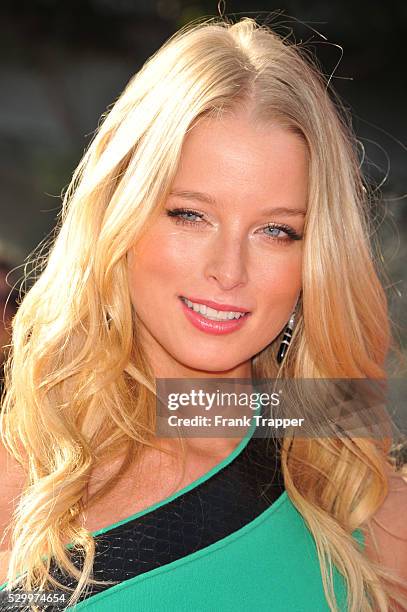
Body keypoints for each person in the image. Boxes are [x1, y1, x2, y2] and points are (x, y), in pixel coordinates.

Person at [0, 16, 406, 612]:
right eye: (190, 215)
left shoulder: (353, 491)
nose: (229, 270)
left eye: (276, 230)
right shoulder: (25, 469)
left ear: (316, 256)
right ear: (120, 214)